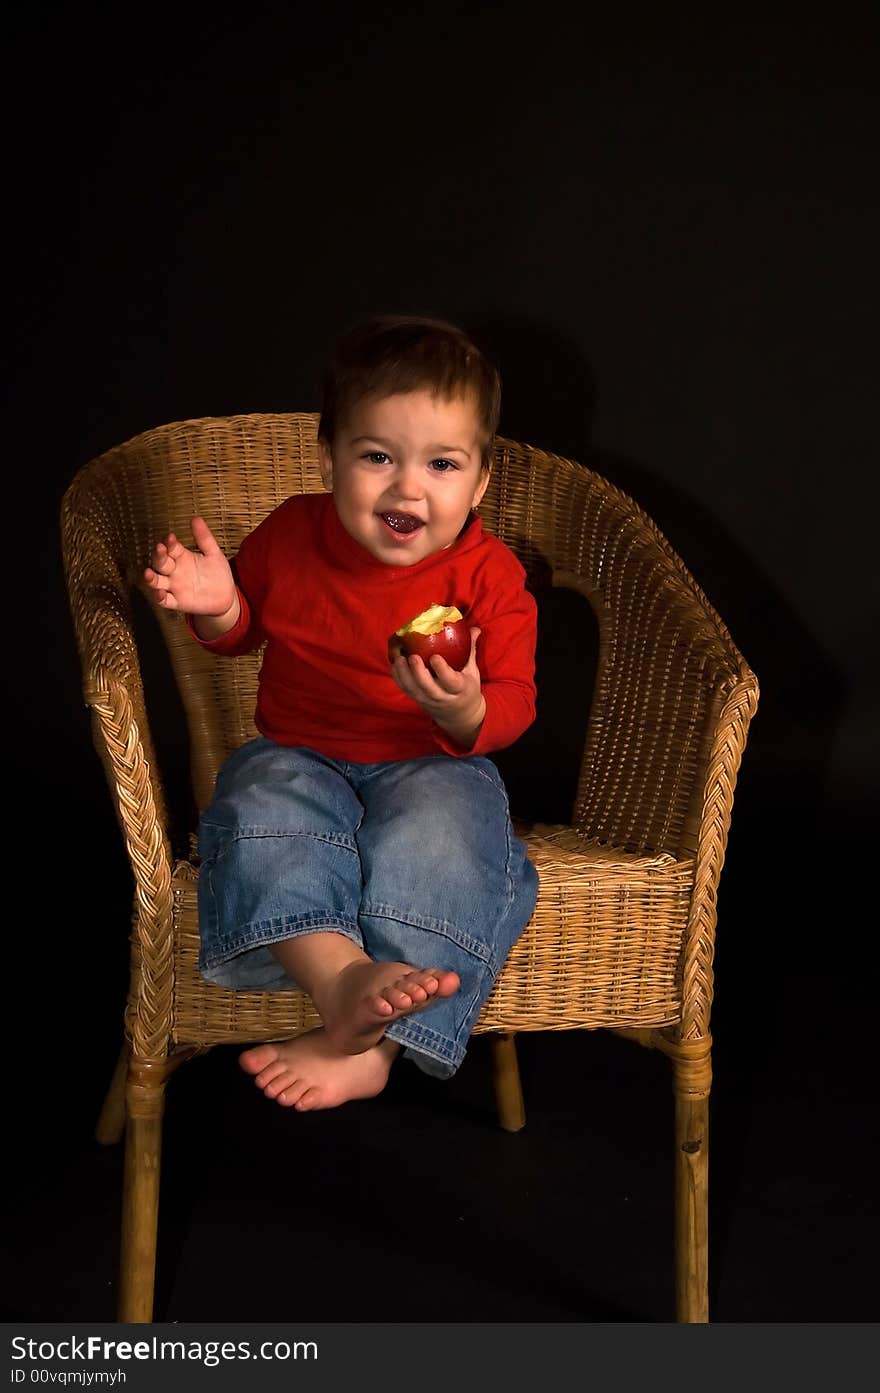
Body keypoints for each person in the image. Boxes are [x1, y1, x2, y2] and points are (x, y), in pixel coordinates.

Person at [143, 315, 539, 1111]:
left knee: (455, 834)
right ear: (328, 458)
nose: (408, 487)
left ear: (481, 481)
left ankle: (375, 1043)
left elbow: (513, 707)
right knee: (260, 802)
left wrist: (465, 707)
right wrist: (220, 605)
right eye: (377, 457)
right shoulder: (292, 533)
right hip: (302, 749)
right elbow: (242, 629)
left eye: (442, 463)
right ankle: (340, 979)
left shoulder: (489, 577)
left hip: (430, 760)